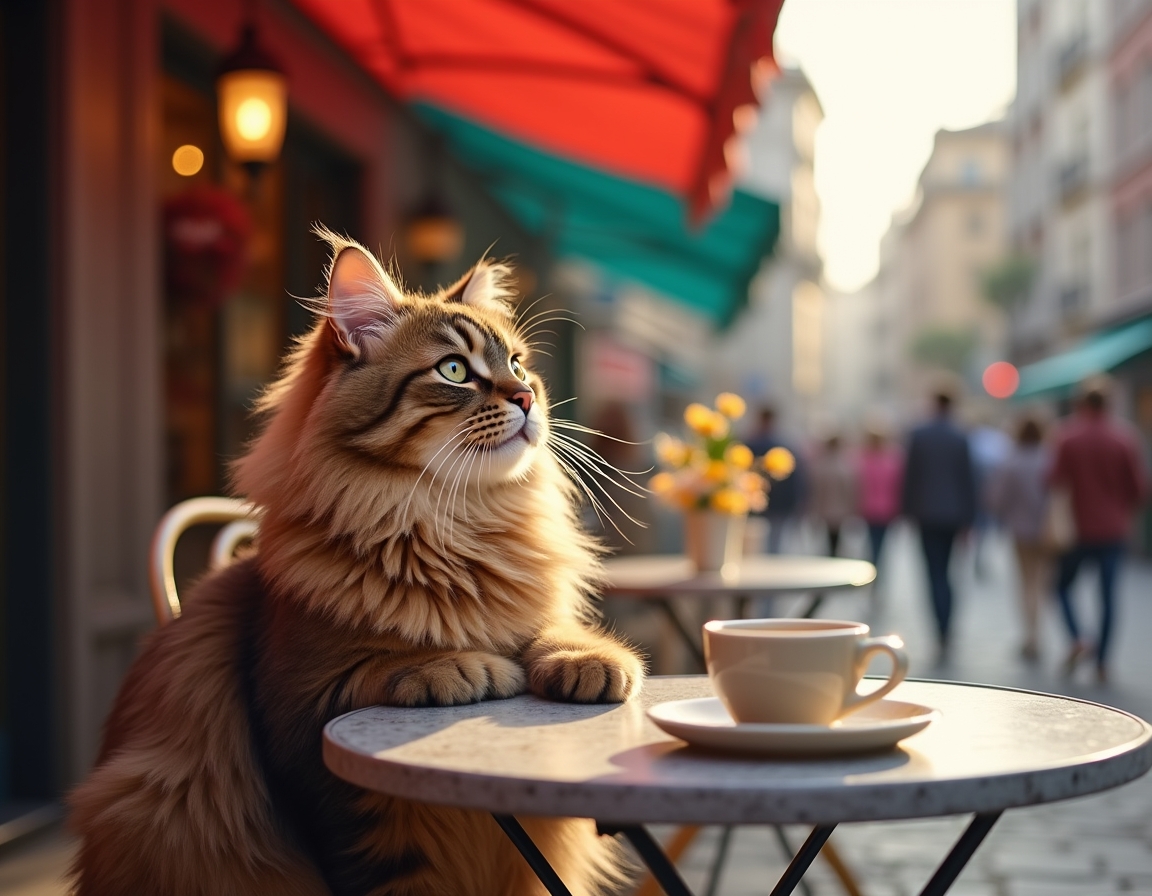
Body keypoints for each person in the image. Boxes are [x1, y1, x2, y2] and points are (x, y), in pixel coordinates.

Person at [1048, 378, 1147, 684]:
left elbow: (1052, 481)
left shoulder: (1067, 436)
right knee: (1108, 597)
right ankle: (1103, 661)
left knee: (1061, 587)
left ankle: (1078, 637)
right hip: (1113, 530)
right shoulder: (1124, 438)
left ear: (1081, 403)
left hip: (1077, 529)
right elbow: (1139, 489)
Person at [902, 390, 977, 660]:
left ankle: (939, 629)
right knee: (948, 573)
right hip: (954, 515)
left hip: (926, 514)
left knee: (933, 574)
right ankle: (947, 628)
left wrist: (907, 512)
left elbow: (910, 478)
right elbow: (969, 480)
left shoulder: (919, 435)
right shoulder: (960, 436)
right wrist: (970, 519)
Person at [986, 416, 1051, 661]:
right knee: (1041, 582)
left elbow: (996, 499)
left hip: (1020, 530)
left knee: (1025, 583)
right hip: (1046, 530)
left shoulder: (1011, 462)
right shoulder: (1049, 459)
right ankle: (1038, 633)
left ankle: (1029, 636)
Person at [745, 406, 806, 553]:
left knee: (756, 544)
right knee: (773, 544)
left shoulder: (751, 444)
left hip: (763, 503)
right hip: (776, 503)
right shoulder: (784, 445)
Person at [856, 425, 904, 569]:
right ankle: (877, 569)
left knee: (874, 542)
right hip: (884, 509)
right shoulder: (891, 460)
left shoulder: (864, 460)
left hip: (872, 508)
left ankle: (874, 568)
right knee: (879, 543)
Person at [808, 433, 857, 557]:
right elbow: (848, 490)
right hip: (838, 509)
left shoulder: (821, 465)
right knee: (835, 539)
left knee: (828, 539)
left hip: (826, 509)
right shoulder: (843, 466)